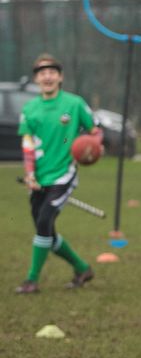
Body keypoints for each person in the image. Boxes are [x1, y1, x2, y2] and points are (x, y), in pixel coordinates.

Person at [15, 54, 99, 294]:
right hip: (40, 177)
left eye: (52, 72)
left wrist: (91, 149)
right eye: (42, 72)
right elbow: (28, 144)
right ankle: (82, 268)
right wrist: (29, 174)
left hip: (64, 175)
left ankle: (31, 280)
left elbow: (95, 132)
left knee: (43, 223)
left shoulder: (74, 104)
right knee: (47, 234)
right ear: (36, 79)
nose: (47, 76)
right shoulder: (29, 109)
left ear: (60, 77)